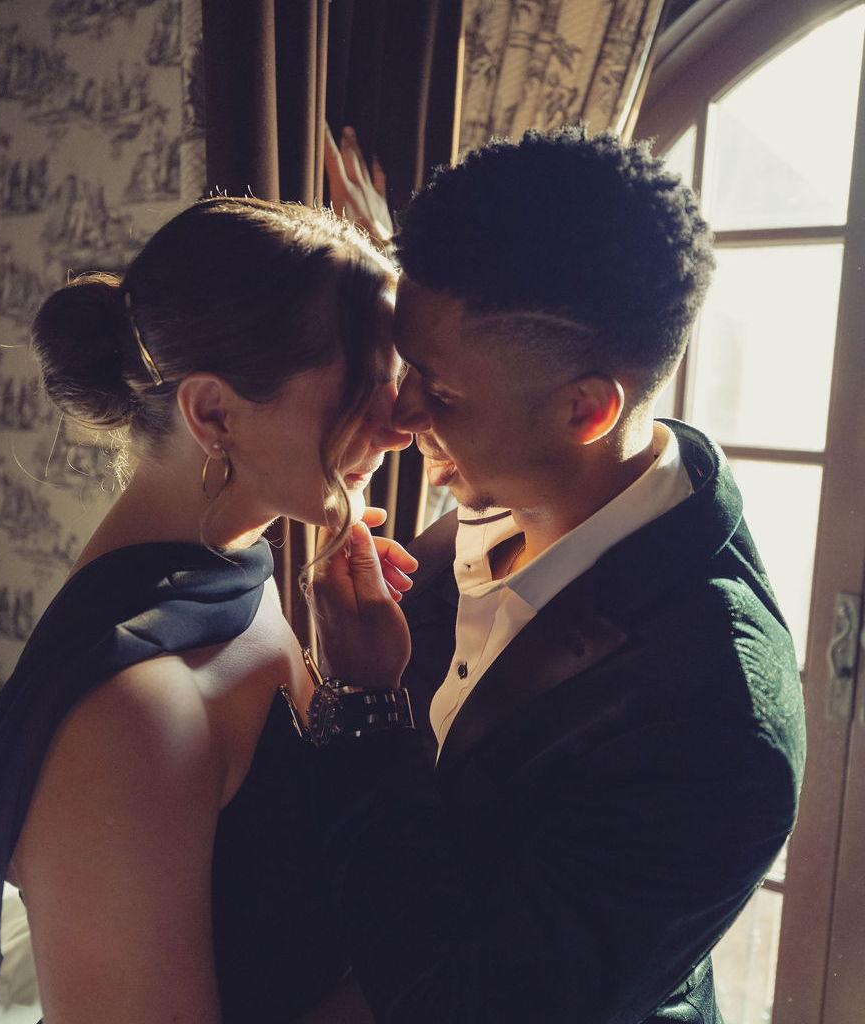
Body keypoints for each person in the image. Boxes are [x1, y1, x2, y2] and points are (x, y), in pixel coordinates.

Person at [305, 125, 807, 1022]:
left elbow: (465, 1009)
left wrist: (368, 706)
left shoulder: (720, 718)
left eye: (441, 392)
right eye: (410, 368)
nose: (401, 412)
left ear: (586, 410)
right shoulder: (512, 490)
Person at [0, 196, 417, 1024]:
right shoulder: (128, 713)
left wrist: (359, 690)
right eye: (361, 390)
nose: (399, 427)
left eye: (394, 384)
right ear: (214, 414)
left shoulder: (237, 567)